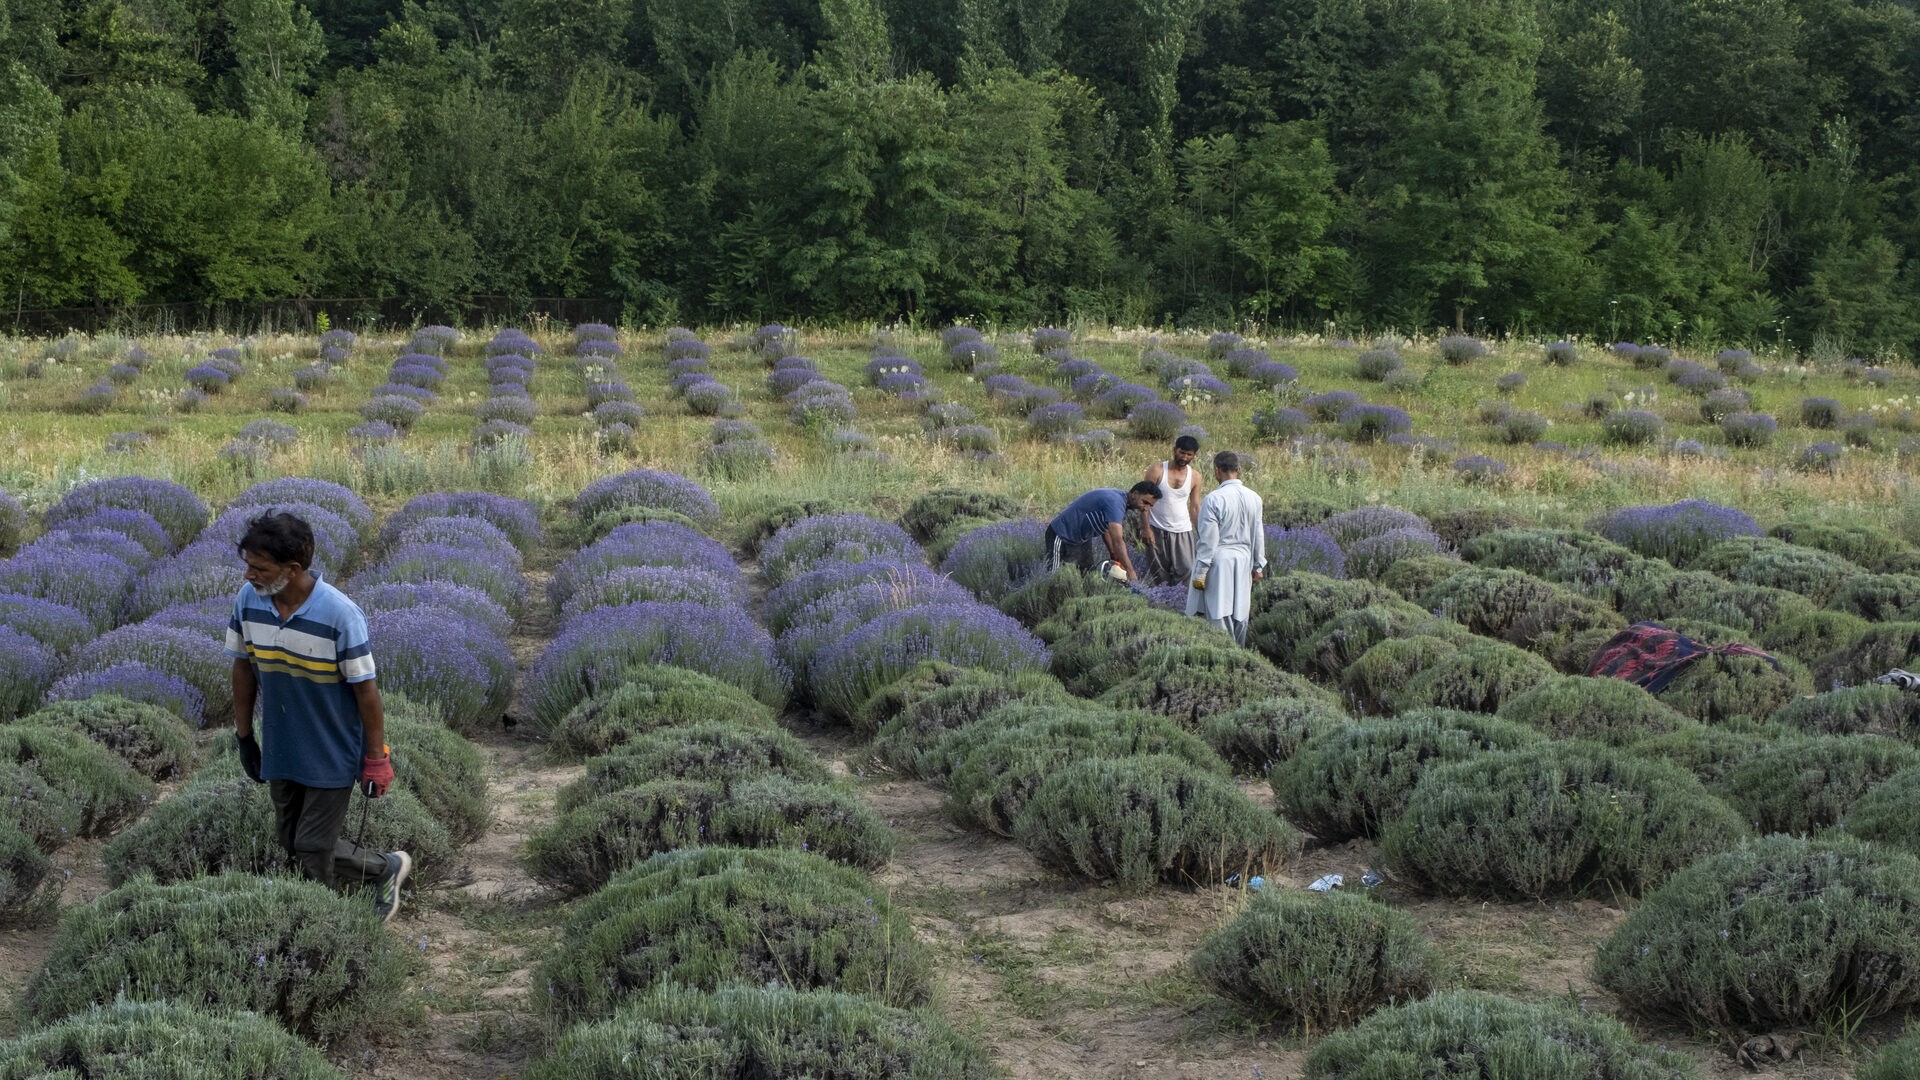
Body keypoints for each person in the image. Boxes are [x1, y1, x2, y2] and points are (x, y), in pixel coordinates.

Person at [226, 510, 411, 922]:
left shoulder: (341, 615)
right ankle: (385, 869)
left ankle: (326, 927)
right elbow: (242, 667)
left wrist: (376, 757)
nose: (248, 576)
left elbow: (367, 692)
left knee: (311, 845)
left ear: (292, 570)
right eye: (248, 565)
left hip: (332, 748)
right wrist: (244, 738)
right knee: (290, 840)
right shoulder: (248, 602)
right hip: (280, 742)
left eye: (259, 568)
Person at [1187, 452, 1266, 646]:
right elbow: (1258, 534)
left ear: (1217, 470)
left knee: (1218, 614)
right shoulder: (1255, 498)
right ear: (1238, 470)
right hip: (1244, 560)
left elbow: (1208, 541)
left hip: (1218, 561)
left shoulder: (1213, 499)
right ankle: (1238, 654)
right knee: (1240, 614)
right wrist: (1259, 565)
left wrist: (1200, 574)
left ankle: (1222, 654)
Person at [1045, 482, 1160, 583]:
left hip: (1082, 539)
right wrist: (1130, 571)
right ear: (1135, 493)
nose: (1146, 508)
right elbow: (1118, 541)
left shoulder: (1123, 502)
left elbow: (1106, 529)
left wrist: (1113, 554)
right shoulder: (1115, 502)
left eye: (1150, 505)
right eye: (1145, 502)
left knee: (1087, 576)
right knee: (1054, 576)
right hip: (1061, 534)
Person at [1142, 435, 1203, 585]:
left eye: (1189, 455)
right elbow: (1143, 502)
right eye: (1182, 453)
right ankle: (1162, 605)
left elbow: (1195, 506)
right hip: (1157, 528)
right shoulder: (1156, 471)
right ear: (1174, 450)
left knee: (1187, 569)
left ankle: (1182, 605)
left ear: (1194, 456)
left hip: (1182, 530)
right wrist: (1145, 528)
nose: (1184, 457)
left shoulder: (1195, 476)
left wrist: (1202, 533)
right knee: (1159, 572)